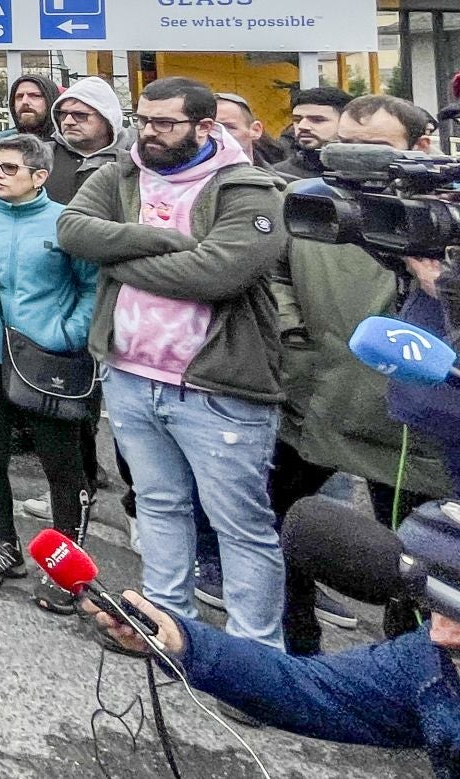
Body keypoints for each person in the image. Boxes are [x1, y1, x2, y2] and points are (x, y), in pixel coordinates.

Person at [57, 76, 288, 649]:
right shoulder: (124, 172)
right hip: (132, 374)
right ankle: (165, 624)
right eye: (143, 119)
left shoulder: (248, 188)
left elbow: (218, 273)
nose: (149, 133)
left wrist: (120, 257)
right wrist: (162, 240)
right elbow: (71, 230)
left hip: (215, 386)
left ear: (204, 127)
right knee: (158, 506)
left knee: (241, 527)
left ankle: (255, 657)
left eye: (165, 123)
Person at [269, 93, 452, 654]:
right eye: (344, 145)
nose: (352, 160)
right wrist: (295, 338)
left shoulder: (452, 216)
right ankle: (294, 643)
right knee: (283, 526)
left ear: (420, 147)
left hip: (405, 425)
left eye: (371, 148)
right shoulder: (308, 202)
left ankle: (409, 669)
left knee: (410, 559)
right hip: (318, 396)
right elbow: (275, 273)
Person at [88, 591, 460, 776]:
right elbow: (309, 688)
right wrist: (184, 642)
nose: (442, 634)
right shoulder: (433, 660)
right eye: (442, 600)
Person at [0, 133, 97, 605]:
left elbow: (92, 287)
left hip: (47, 357)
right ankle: (3, 545)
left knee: (60, 465)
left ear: (39, 176)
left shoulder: (67, 222)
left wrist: (66, 334)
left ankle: (66, 565)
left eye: (9, 168)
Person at [46, 77, 127, 205]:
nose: (68, 122)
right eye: (62, 114)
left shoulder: (134, 161)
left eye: (80, 115)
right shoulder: (41, 156)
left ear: (107, 118)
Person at [280, 84, 354, 180]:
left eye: (317, 120)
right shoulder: (278, 177)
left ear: (346, 122)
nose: (302, 126)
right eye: (297, 120)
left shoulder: (368, 173)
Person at [2, 73, 59, 140]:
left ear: (51, 100)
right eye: (19, 96)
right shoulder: (2, 143)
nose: (24, 102)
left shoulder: (67, 145)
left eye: (35, 96)